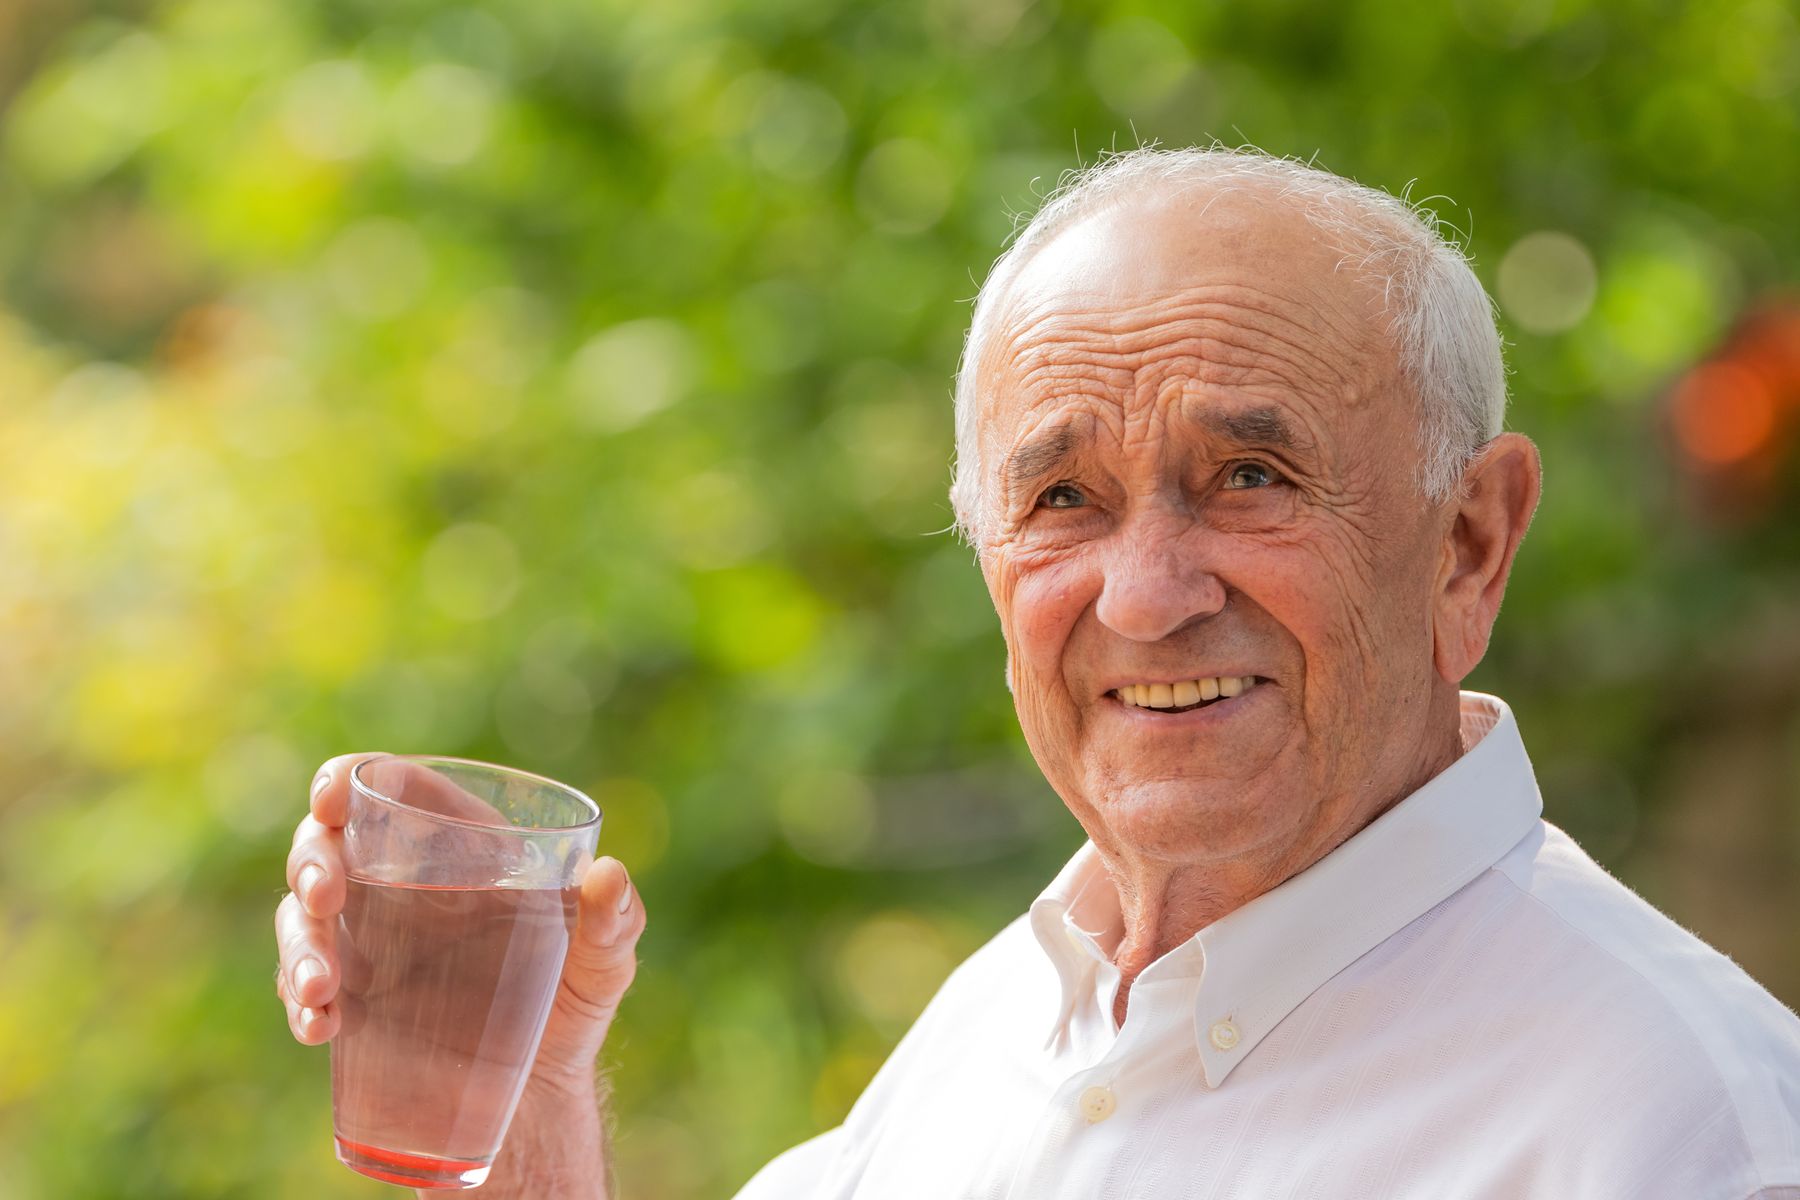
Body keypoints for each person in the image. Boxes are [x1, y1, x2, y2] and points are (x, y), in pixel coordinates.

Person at [274, 148, 1800, 1198]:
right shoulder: (1013, 1016)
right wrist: (529, 1109)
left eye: (1251, 475)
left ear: (1468, 542)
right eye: (1063, 501)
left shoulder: (1681, 1130)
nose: (1145, 597)